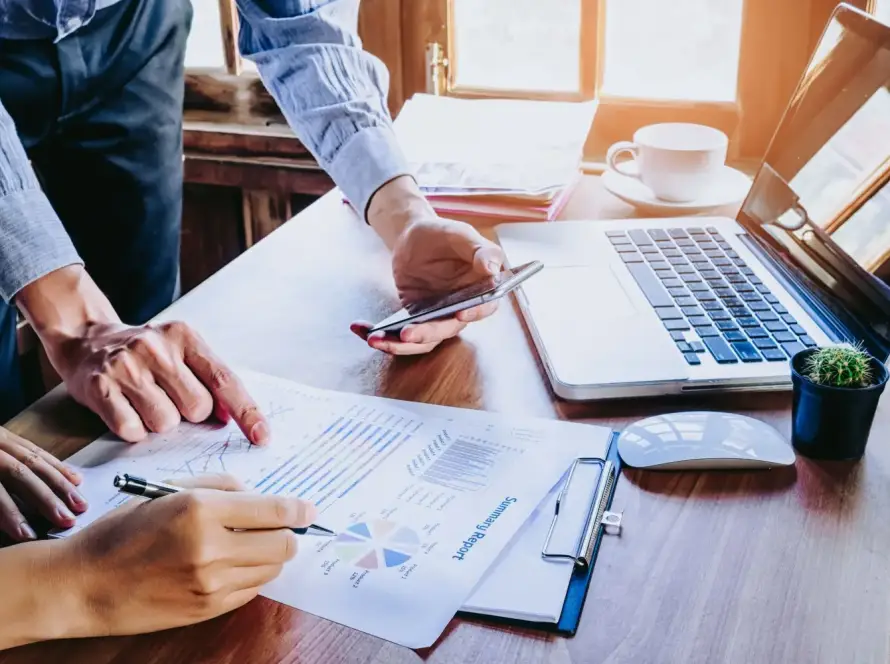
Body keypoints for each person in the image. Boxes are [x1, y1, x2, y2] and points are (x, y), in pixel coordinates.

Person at [0, 0, 503, 646]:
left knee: (154, 381)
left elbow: (301, 17)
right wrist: (74, 320)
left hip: (130, 29)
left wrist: (403, 215)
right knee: (21, 464)